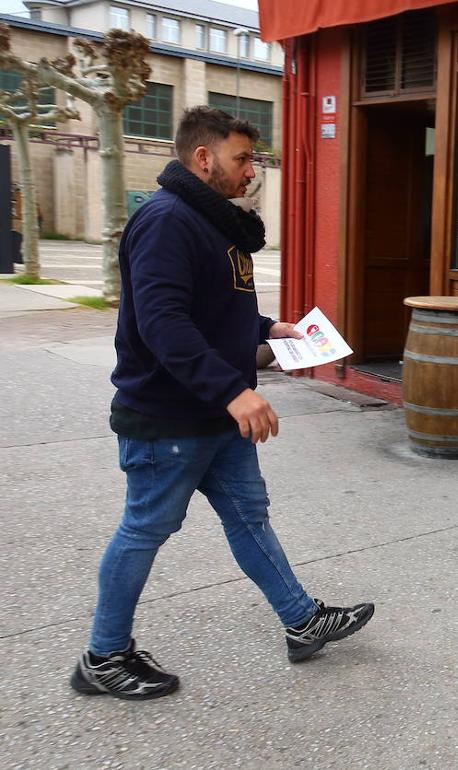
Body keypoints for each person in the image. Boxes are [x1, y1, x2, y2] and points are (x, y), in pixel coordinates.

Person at [71, 107, 374, 700]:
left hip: (209, 414)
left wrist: (268, 328)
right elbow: (163, 322)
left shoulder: (212, 223)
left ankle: (301, 621)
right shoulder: (166, 220)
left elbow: (212, 305)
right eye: (242, 158)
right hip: (168, 416)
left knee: (247, 515)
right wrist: (234, 390)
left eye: (253, 159)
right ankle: (103, 657)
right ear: (203, 157)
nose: (252, 171)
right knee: (144, 529)